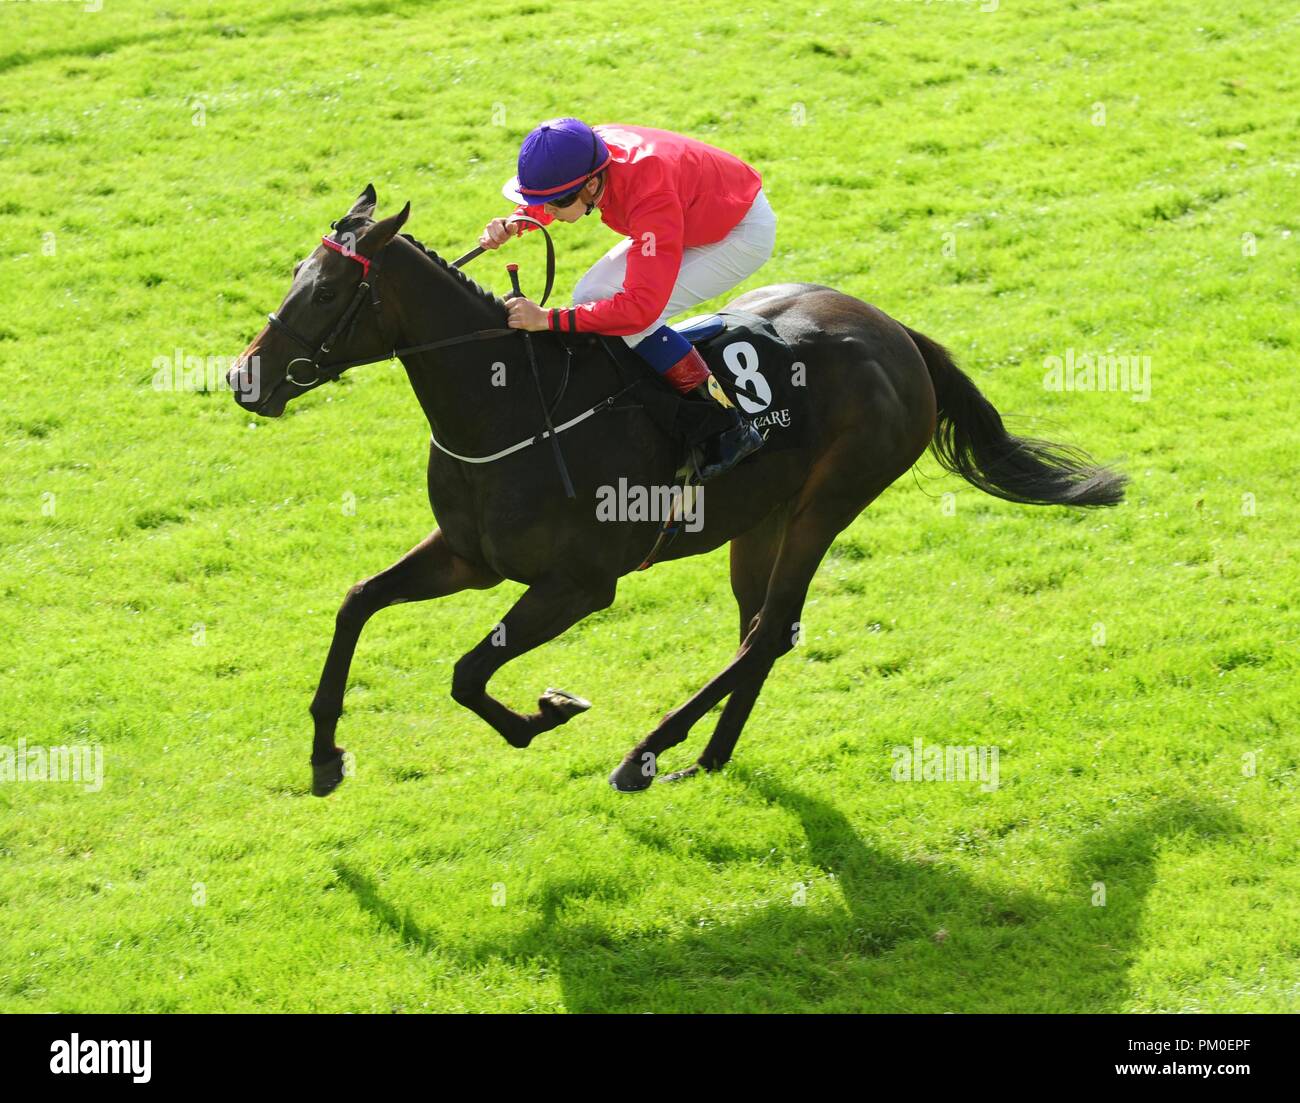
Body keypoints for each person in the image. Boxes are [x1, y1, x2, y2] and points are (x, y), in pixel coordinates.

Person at [479, 118, 776, 479]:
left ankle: (728, 425)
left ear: (591, 184)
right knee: (591, 294)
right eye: (538, 200)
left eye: (556, 202)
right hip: (689, 210)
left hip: (738, 232)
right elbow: (555, 191)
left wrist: (549, 319)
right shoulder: (587, 154)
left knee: (637, 319)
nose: (549, 209)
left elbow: (638, 309)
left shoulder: (648, 194)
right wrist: (520, 218)